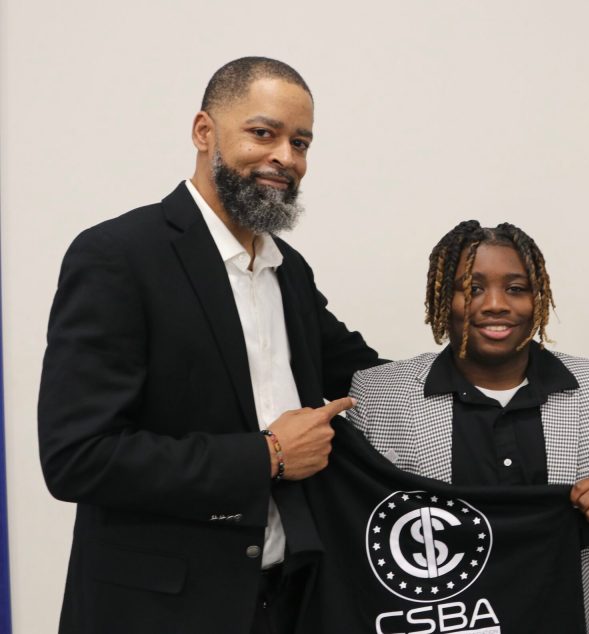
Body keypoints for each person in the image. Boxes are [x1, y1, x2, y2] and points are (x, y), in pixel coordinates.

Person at [38, 57, 380, 634]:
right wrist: (268, 455)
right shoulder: (118, 257)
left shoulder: (288, 270)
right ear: (204, 132)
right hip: (157, 614)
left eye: (300, 142)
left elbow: (368, 378)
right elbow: (78, 458)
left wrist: (504, 367)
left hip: (288, 598)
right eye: (263, 133)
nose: (286, 157)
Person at [346, 221, 589, 634]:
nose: (496, 304)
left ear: (539, 298)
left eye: (516, 288)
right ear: (443, 298)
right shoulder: (379, 393)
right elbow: (352, 522)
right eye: (472, 288)